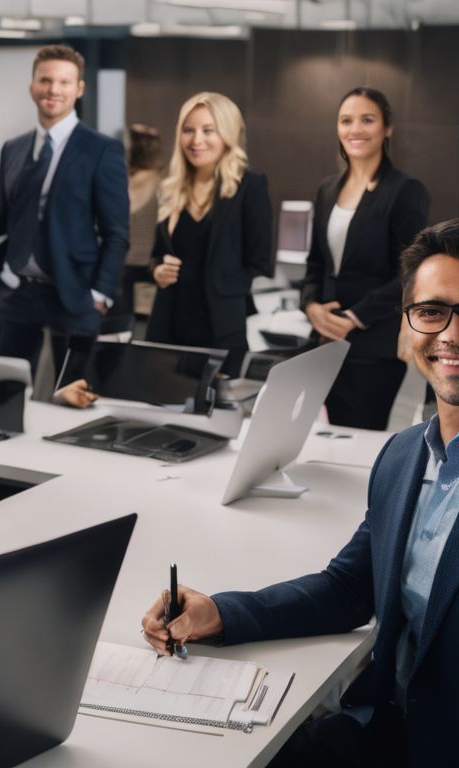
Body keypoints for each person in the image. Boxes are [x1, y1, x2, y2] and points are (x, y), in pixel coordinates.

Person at [141, 220, 459, 767]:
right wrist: (217, 612)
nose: (450, 335)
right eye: (432, 312)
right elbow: (350, 587)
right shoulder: (404, 457)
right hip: (383, 726)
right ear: (407, 327)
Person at [0, 44, 129, 383]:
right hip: (18, 292)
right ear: (32, 86)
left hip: (76, 293)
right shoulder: (13, 149)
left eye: (63, 82)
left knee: (74, 392)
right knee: (6, 393)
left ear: (79, 89)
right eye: (45, 81)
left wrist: (99, 296)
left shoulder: (101, 150)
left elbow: (117, 233)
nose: (53, 90)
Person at [302, 87, 429, 430]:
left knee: (361, 442)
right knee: (329, 439)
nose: (355, 129)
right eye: (346, 120)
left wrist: (354, 317)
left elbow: (412, 270)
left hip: (374, 344)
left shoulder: (405, 190)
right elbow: (316, 262)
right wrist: (312, 306)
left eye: (367, 120)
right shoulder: (328, 188)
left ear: (387, 128)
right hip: (327, 340)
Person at [147, 92, 271, 378]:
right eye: (188, 130)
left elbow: (260, 261)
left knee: (214, 417)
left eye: (208, 130)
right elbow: (157, 255)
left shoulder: (250, 187)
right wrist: (157, 270)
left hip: (221, 332)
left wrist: (221, 281)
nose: (196, 140)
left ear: (227, 133)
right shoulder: (170, 189)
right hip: (168, 328)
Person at [108, 123, 163, 324]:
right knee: (142, 332)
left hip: (119, 268)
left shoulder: (117, 179)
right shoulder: (161, 181)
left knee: (118, 332)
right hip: (146, 269)